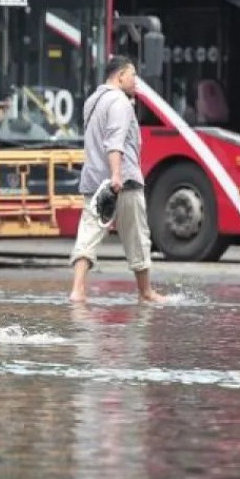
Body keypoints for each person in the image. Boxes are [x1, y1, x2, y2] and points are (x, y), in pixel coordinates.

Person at [69, 55, 164, 304]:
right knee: (137, 236)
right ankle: (146, 292)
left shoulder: (92, 101)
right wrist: (116, 175)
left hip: (93, 181)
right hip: (122, 181)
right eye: (133, 76)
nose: (136, 82)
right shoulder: (120, 102)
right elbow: (115, 141)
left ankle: (78, 290)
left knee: (87, 235)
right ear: (120, 76)